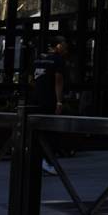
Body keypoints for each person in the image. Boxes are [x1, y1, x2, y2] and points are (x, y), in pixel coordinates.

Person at [31, 35, 69, 173]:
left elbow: (33, 79)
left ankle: (38, 159)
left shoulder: (39, 59)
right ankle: (47, 161)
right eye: (64, 44)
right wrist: (59, 102)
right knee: (51, 131)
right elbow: (58, 81)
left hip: (36, 98)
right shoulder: (58, 60)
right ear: (58, 45)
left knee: (38, 130)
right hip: (49, 99)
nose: (66, 46)